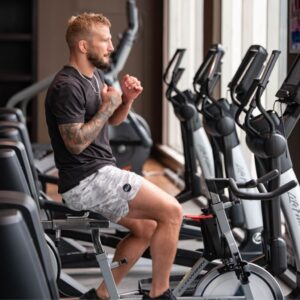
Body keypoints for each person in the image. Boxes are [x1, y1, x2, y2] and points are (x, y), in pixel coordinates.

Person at [45, 12, 182, 300]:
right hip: (87, 180)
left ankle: (102, 295)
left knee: (146, 228)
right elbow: (76, 143)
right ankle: (160, 295)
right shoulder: (66, 87)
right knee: (172, 212)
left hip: (97, 173)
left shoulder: (93, 76)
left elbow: (109, 121)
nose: (110, 46)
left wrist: (126, 100)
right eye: (105, 40)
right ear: (84, 46)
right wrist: (108, 105)